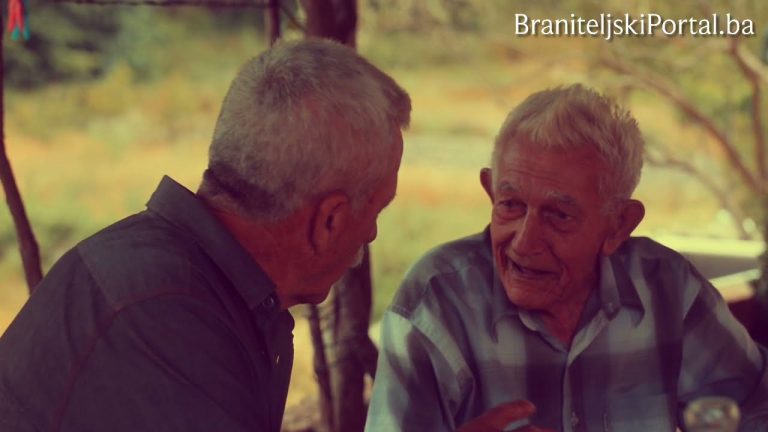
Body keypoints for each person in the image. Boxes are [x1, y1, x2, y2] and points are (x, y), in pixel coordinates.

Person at [0, 39, 411, 432]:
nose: (372, 232)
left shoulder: (172, 277)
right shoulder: (166, 318)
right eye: (377, 210)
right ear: (329, 222)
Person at [365, 84, 768, 431]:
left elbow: (755, 409)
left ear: (618, 225)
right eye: (511, 205)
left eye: (559, 215)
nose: (525, 243)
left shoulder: (668, 289)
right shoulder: (435, 303)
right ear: (490, 191)